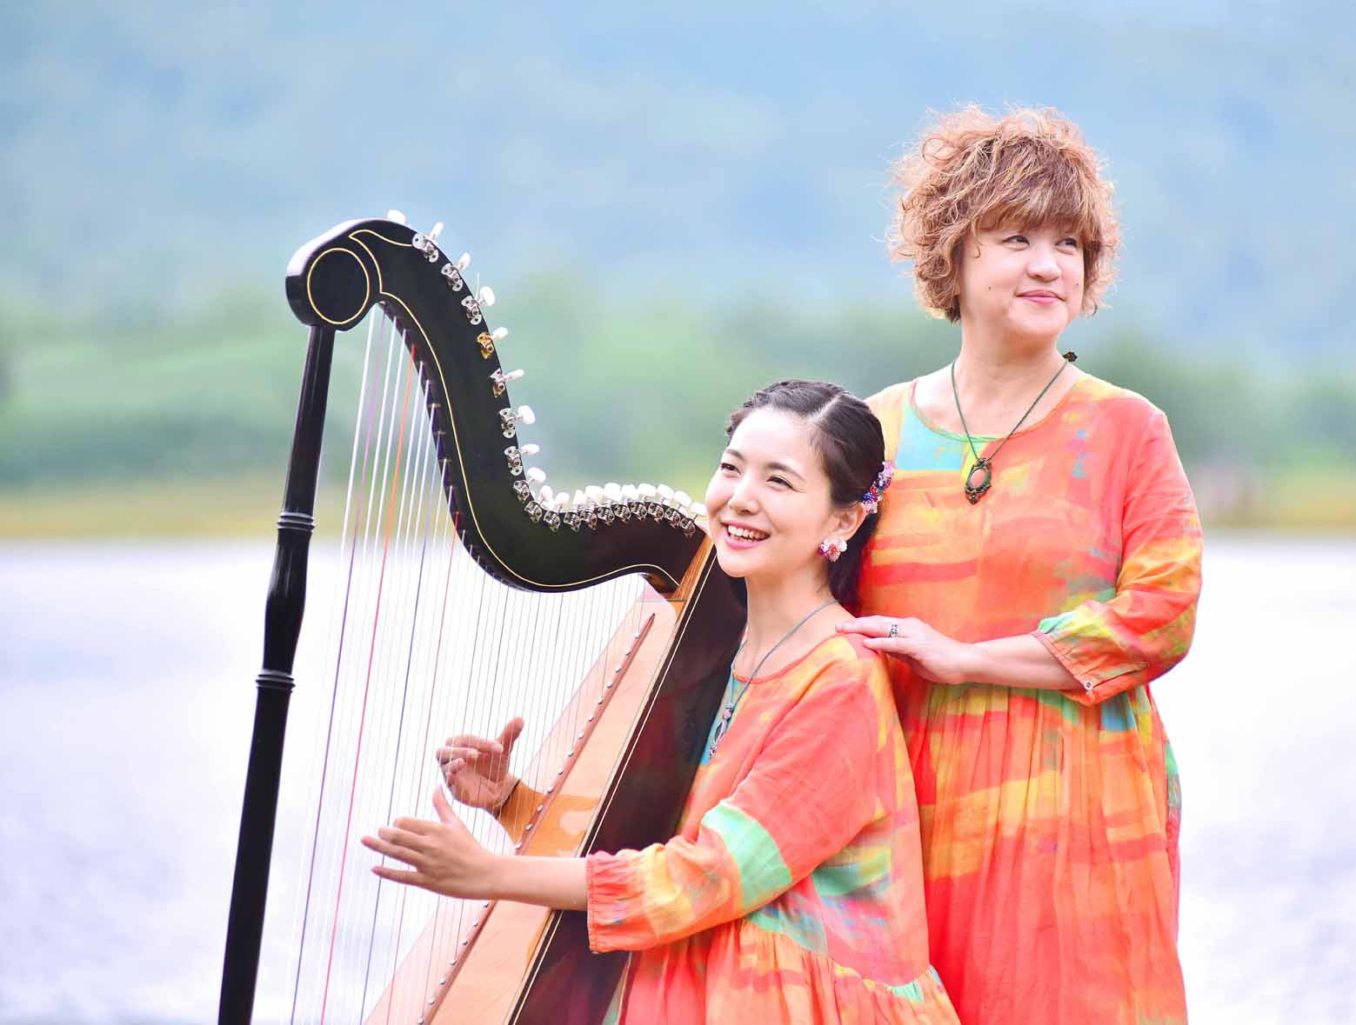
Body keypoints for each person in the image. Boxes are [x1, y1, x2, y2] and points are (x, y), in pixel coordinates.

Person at [363, 380, 959, 1025]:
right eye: (731, 468)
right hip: (699, 983)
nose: (741, 497)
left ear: (842, 520)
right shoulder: (712, 646)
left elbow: (707, 876)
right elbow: (653, 836)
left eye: (779, 481)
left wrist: (487, 874)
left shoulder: (841, 680)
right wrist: (512, 801)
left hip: (792, 1001)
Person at [837, 106, 1203, 1023]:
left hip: (1081, 812)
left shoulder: (1126, 428)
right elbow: (796, 611)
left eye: (1068, 244)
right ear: (953, 255)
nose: (1048, 265)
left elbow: (1162, 616)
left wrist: (968, 658)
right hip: (905, 817)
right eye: (1017, 239)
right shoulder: (874, 431)